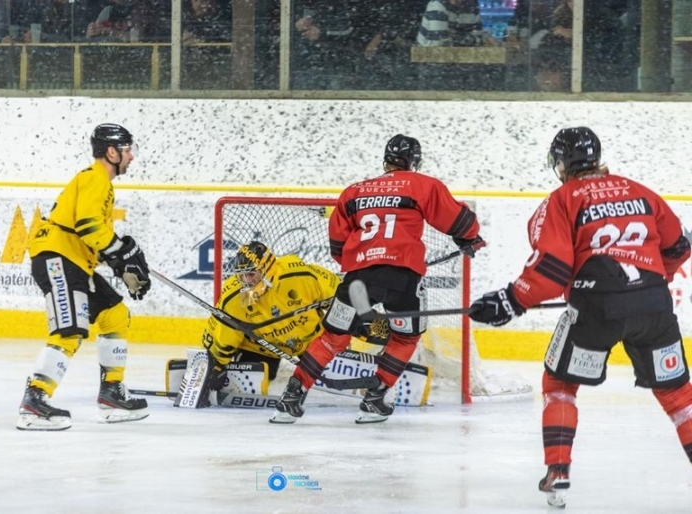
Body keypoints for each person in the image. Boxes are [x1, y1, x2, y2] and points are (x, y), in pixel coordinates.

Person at [468, 127, 692, 507]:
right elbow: (679, 245)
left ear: (559, 164)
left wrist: (510, 300)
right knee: (677, 394)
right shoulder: (640, 192)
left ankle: (558, 472)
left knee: (559, 384)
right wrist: (654, 279)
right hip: (654, 307)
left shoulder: (562, 199)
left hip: (596, 311)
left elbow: (550, 269)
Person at [270, 134, 483, 424]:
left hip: (359, 279)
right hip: (403, 278)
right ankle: (374, 398)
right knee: (406, 337)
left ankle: (290, 399)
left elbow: (338, 246)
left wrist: (363, 261)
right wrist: (469, 238)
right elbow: (458, 220)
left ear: (385, 159)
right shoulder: (422, 185)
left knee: (333, 338)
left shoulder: (354, 192)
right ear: (414, 161)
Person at [16, 123, 152, 431]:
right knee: (70, 330)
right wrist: (122, 255)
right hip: (57, 258)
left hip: (74, 261)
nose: (131, 157)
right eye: (127, 150)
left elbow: (92, 233)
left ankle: (112, 394)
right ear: (112, 152)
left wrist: (121, 259)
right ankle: (35, 401)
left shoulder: (99, 182)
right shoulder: (96, 178)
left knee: (115, 315)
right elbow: (88, 227)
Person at [201, 241, 389, 399]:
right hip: (264, 348)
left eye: (251, 274)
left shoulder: (300, 275)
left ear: (267, 268)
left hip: (313, 341)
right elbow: (222, 338)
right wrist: (215, 366)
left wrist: (360, 320)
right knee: (252, 380)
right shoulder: (233, 298)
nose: (246, 281)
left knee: (364, 327)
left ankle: (398, 354)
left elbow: (342, 295)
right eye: (242, 276)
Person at [416, 0, 485, 48]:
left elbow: (479, 39)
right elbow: (439, 41)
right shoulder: (437, 5)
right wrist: (468, 38)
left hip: (461, 57)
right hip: (430, 58)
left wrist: (452, 35)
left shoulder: (472, 6)